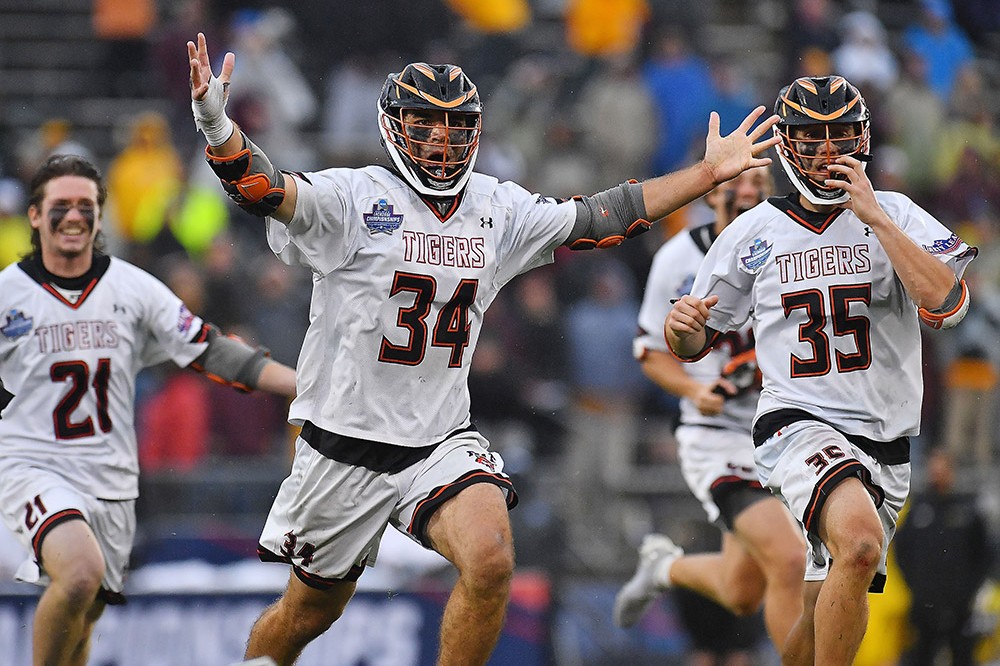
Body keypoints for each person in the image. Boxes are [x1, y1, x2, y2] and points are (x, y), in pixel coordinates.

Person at [187, 31, 780, 666]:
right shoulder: (354, 197)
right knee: (310, 612)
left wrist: (706, 174)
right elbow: (265, 189)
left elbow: (604, 217)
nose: (441, 140)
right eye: (426, 124)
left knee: (492, 559)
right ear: (394, 127)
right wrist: (217, 125)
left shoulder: (496, 208)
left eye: (454, 125)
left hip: (440, 438)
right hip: (344, 440)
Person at [664, 75, 978, 665]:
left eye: (839, 138)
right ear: (788, 144)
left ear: (861, 141)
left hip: (886, 439)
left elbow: (949, 306)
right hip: (797, 421)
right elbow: (693, 337)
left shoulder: (899, 213)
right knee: (858, 545)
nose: (828, 152)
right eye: (812, 138)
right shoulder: (754, 230)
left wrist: (877, 219)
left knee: (821, 604)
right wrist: (682, 329)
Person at [0, 154, 297, 666]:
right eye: (60, 205)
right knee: (77, 575)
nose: (74, 216)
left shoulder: (130, 287)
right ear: (34, 214)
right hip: (35, 465)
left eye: (85, 205)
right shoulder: (8, 294)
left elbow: (209, 347)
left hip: (111, 473)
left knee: (87, 605)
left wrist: (301, 385)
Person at [614, 165, 808, 656]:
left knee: (742, 593)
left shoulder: (791, 246)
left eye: (757, 185)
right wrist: (694, 391)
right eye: (737, 184)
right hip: (718, 432)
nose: (747, 192)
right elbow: (650, 351)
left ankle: (663, 568)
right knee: (788, 560)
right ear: (712, 193)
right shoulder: (678, 258)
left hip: (787, 430)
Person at [895, 446, 994, 666]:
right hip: (923, 604)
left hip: (960, 606)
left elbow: (985, 554)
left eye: (943, 468)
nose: (937, 473)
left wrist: (968, 589)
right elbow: (902, 551)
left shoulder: (968, 509)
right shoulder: (919, 508)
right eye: (934, 467)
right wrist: (915, 586)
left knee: (963, 657)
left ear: (952, 471)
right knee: (919, 657)